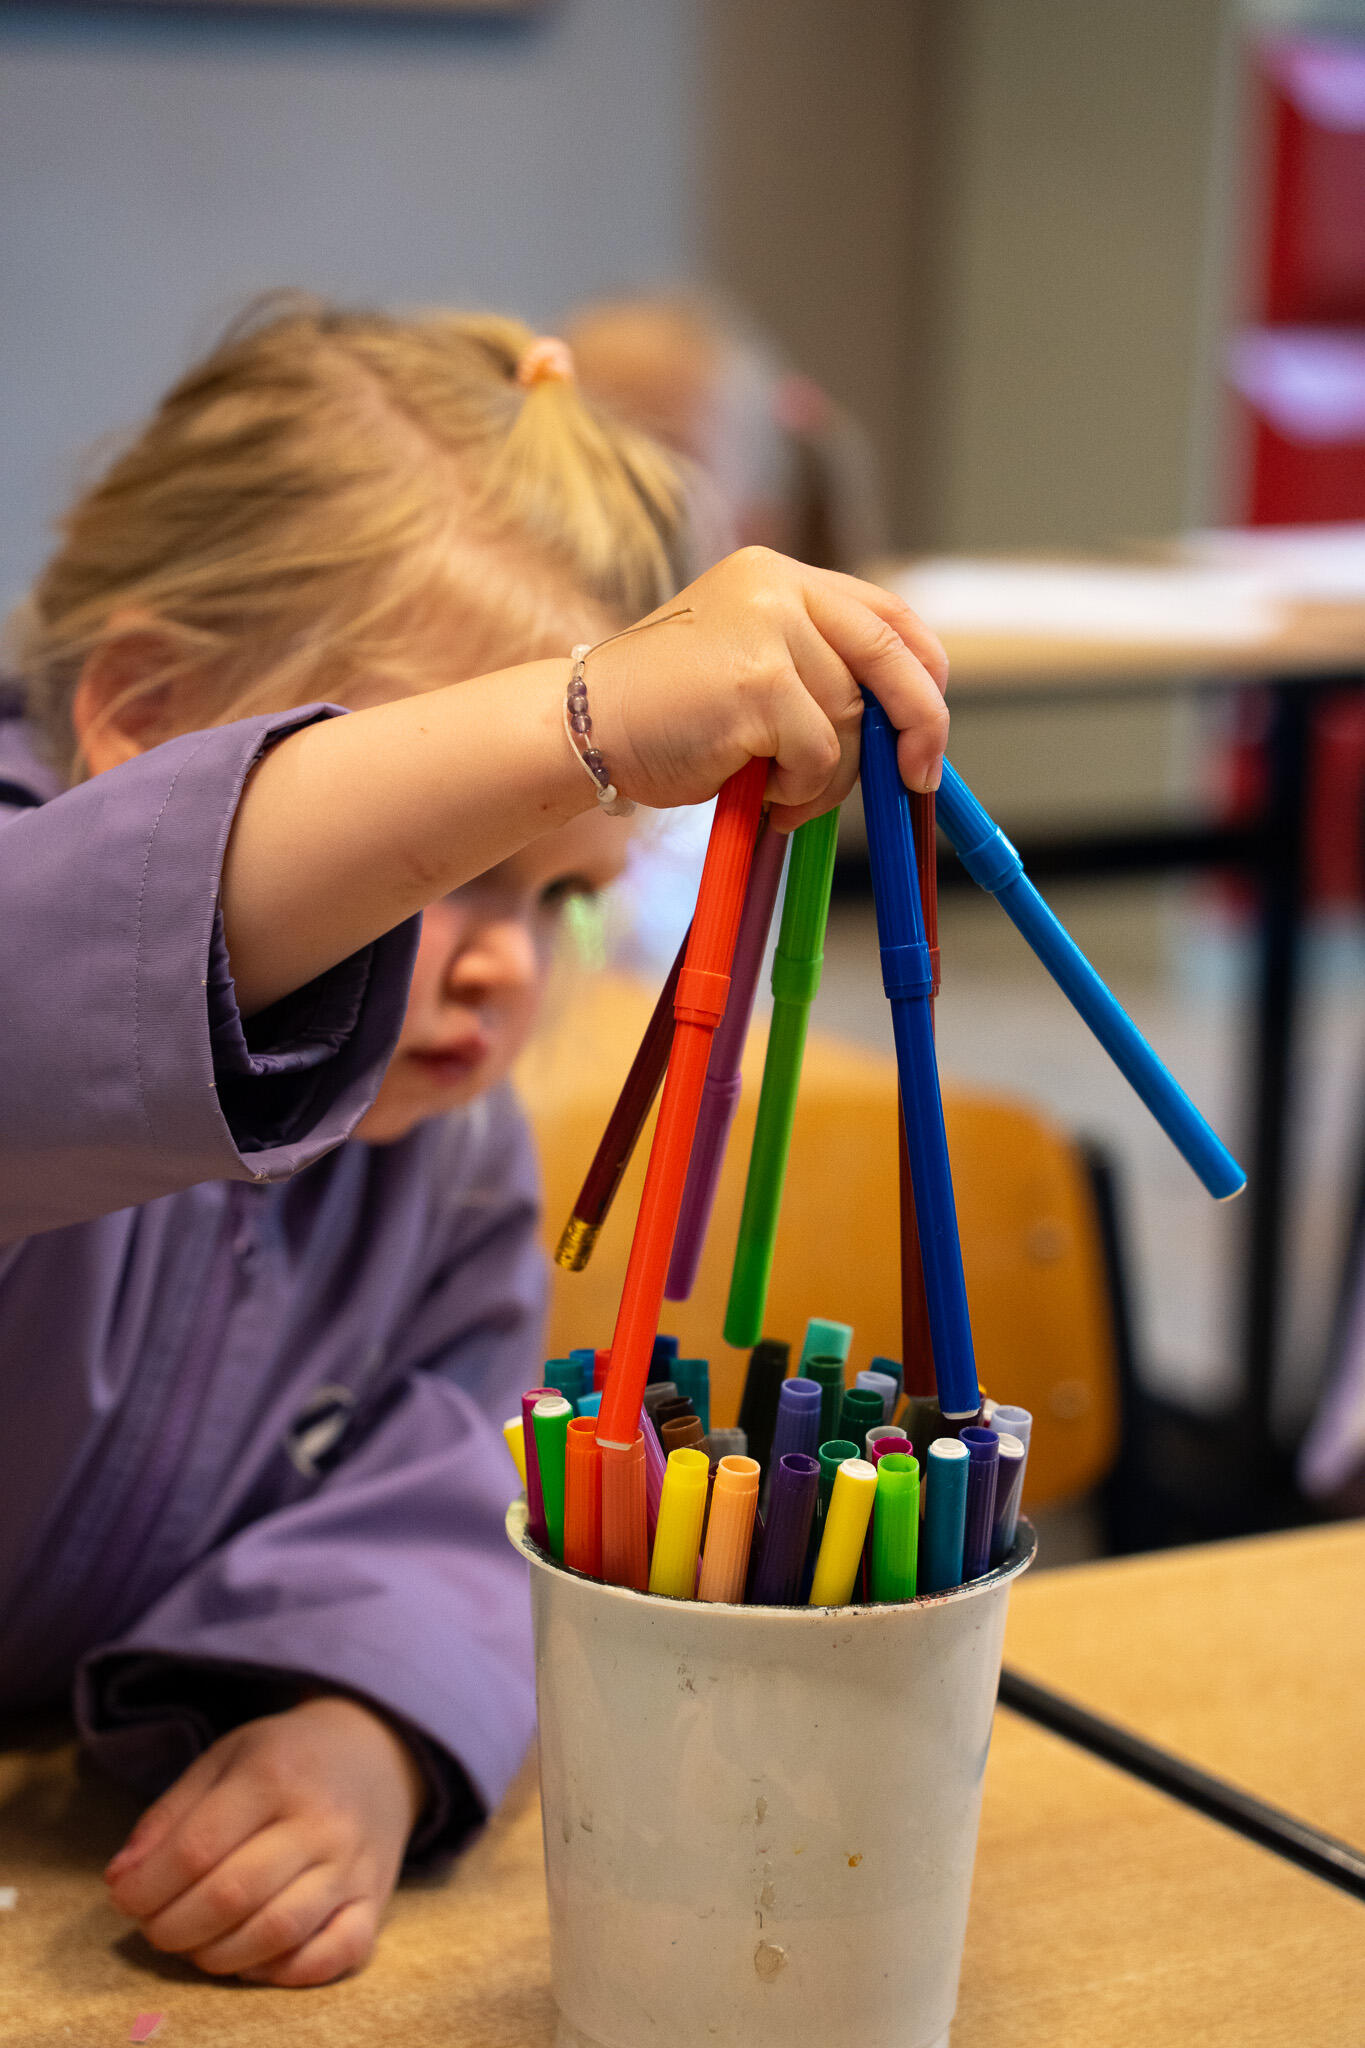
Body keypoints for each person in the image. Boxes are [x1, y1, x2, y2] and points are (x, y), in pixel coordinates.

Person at [0, 297, 948, 1988]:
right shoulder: (35, 919)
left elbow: (435, 1489)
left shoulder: (451, 1153)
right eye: (441, 857)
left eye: (560, 891)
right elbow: (50, 1007)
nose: (505, 957)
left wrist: (359, 1724)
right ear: (141, 716)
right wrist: (573, 728)